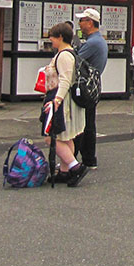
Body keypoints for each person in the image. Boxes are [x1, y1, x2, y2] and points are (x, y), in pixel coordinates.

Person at [43, 21, 89, 186]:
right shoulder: (71, 53)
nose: (51, 40)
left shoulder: (64, 55)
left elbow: (65, 80)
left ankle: (75, 167)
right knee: (66, 135)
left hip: (62, 100)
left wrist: (57, 100)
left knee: (51, 137)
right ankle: (64, 170)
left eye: (53, 37)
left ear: (60, 37)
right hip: (67, 100)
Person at [74, 8, 107, 168]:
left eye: (82, 20)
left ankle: (83, 158)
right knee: (89, 122)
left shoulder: (93, 42)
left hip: (85, 87)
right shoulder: (98, 41)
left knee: (83, 124)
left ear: (90, 22)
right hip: (92, 86)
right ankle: (88, 158)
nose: (80, 23)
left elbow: (76, 60)